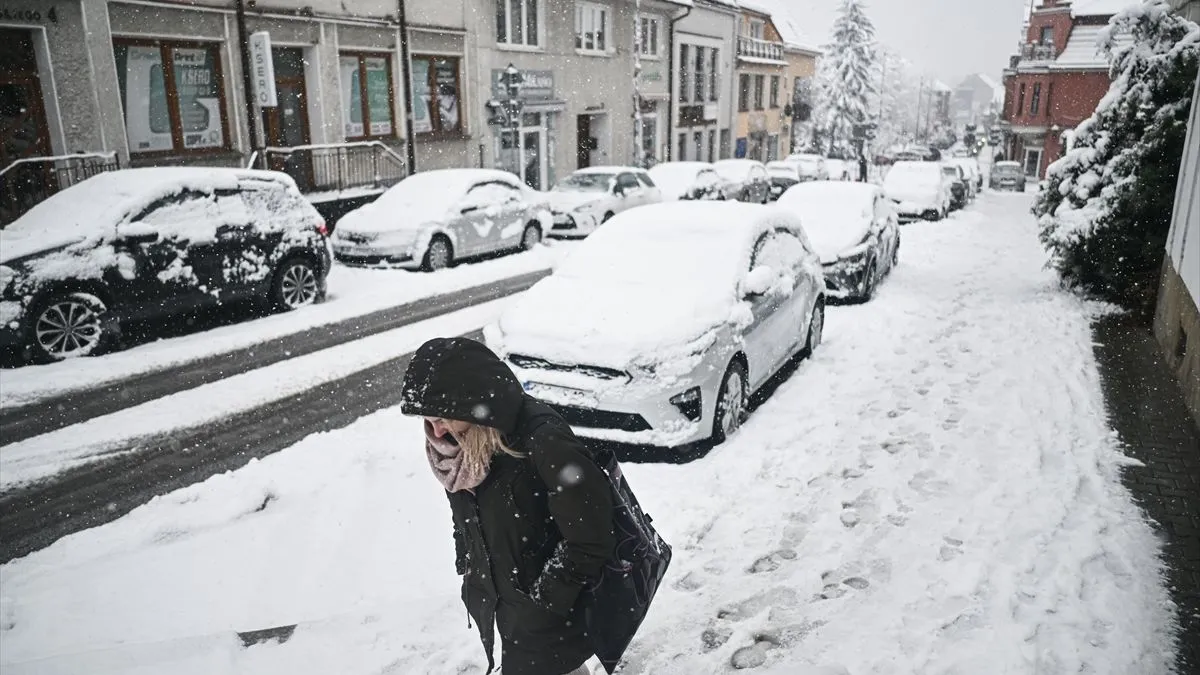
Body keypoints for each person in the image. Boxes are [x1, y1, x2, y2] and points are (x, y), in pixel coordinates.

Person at [400, 337, 616, 675]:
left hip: (547, 607)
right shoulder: (456, 448)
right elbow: (466, 516)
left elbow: (592, 535)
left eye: (441, 417)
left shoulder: (542, 441)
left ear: (470, 402)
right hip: (510, 602)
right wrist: (469, 563)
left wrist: (546, 600)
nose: (435, 430)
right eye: (427, 419)